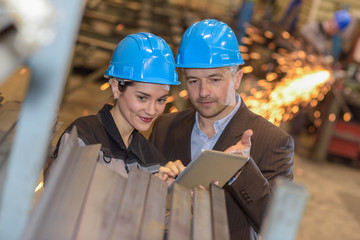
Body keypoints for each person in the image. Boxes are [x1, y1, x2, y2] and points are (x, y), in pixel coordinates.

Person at [149, 19, 294, 240]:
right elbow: (145, 204)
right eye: (193, 81)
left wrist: (241, 171)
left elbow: (277, 227)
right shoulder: (165, 126)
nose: (203, 92)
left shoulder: (273, 141)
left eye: (214, 79)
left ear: (237, 78)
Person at [49, 32, 180, 179]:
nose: (152, 110)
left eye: (161, 100)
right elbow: (65, 197)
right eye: (142, 98)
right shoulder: (84, 136)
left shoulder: (153, 160)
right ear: (116, 87)